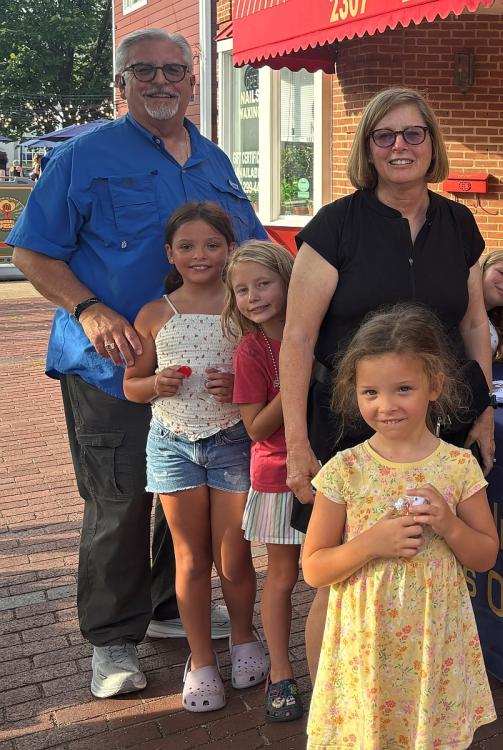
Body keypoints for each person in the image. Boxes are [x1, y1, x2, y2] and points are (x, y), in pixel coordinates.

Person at [8, 27, 265, 699]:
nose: (160, 81)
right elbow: (31, 252)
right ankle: (112, 639)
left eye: (173, 70)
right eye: (143, 71)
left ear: (193, 82)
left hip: (201, 376)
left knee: (184, 497)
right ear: (120, 84)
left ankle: (163, 606)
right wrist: (89, 309)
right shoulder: (84, 158)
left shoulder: (213, 162)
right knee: (119, 502)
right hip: (111, 366)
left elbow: (255, 250)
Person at [280, 87, 496, 683]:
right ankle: (331, 711)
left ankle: (413, 705)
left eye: (413, 133)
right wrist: (296, 441)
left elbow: (474, 324)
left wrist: (485, 409)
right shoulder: (335, 227)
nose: (400, 146)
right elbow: (297, 336)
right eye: (385, 136)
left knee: (435, 565)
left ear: (432, 143)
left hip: (441, 423)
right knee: (337, 581)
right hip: (352, 425)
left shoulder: (459, 223)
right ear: (368, 148)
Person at [303, 303, 499, 748]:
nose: (386, 405)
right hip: (366, 646)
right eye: (370, 392)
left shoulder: (458, 466)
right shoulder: (344, 470)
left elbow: (485, 556)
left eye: (403, 389)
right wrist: (370, 543)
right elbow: (314, 569)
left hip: (433, 644)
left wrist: (449, 525)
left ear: (435, 386)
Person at [123, 202, 263, 711]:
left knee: (234, 555)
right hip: (173, 444)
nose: (199, 255)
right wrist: (156, 383)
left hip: (232, 442)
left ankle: (244, 637)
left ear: (230, 249)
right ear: (170, 253)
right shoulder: (155, 313)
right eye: (186, 246)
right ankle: (201, 660)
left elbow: (267, 371)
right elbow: (132, 385)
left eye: (211, 245)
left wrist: (239, 385)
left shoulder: (243, 308)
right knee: (191, 558)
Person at [222, 240, 304, 722]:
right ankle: (281, 670)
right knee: (283, 575)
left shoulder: (318, 334)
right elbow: (255, 427)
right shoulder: (252, 351)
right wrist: (295, 379)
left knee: (332, 574)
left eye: (263, 284)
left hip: (329, 471)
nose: (253, 297)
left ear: (289, 283)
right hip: (276, 474)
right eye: (242, 290)